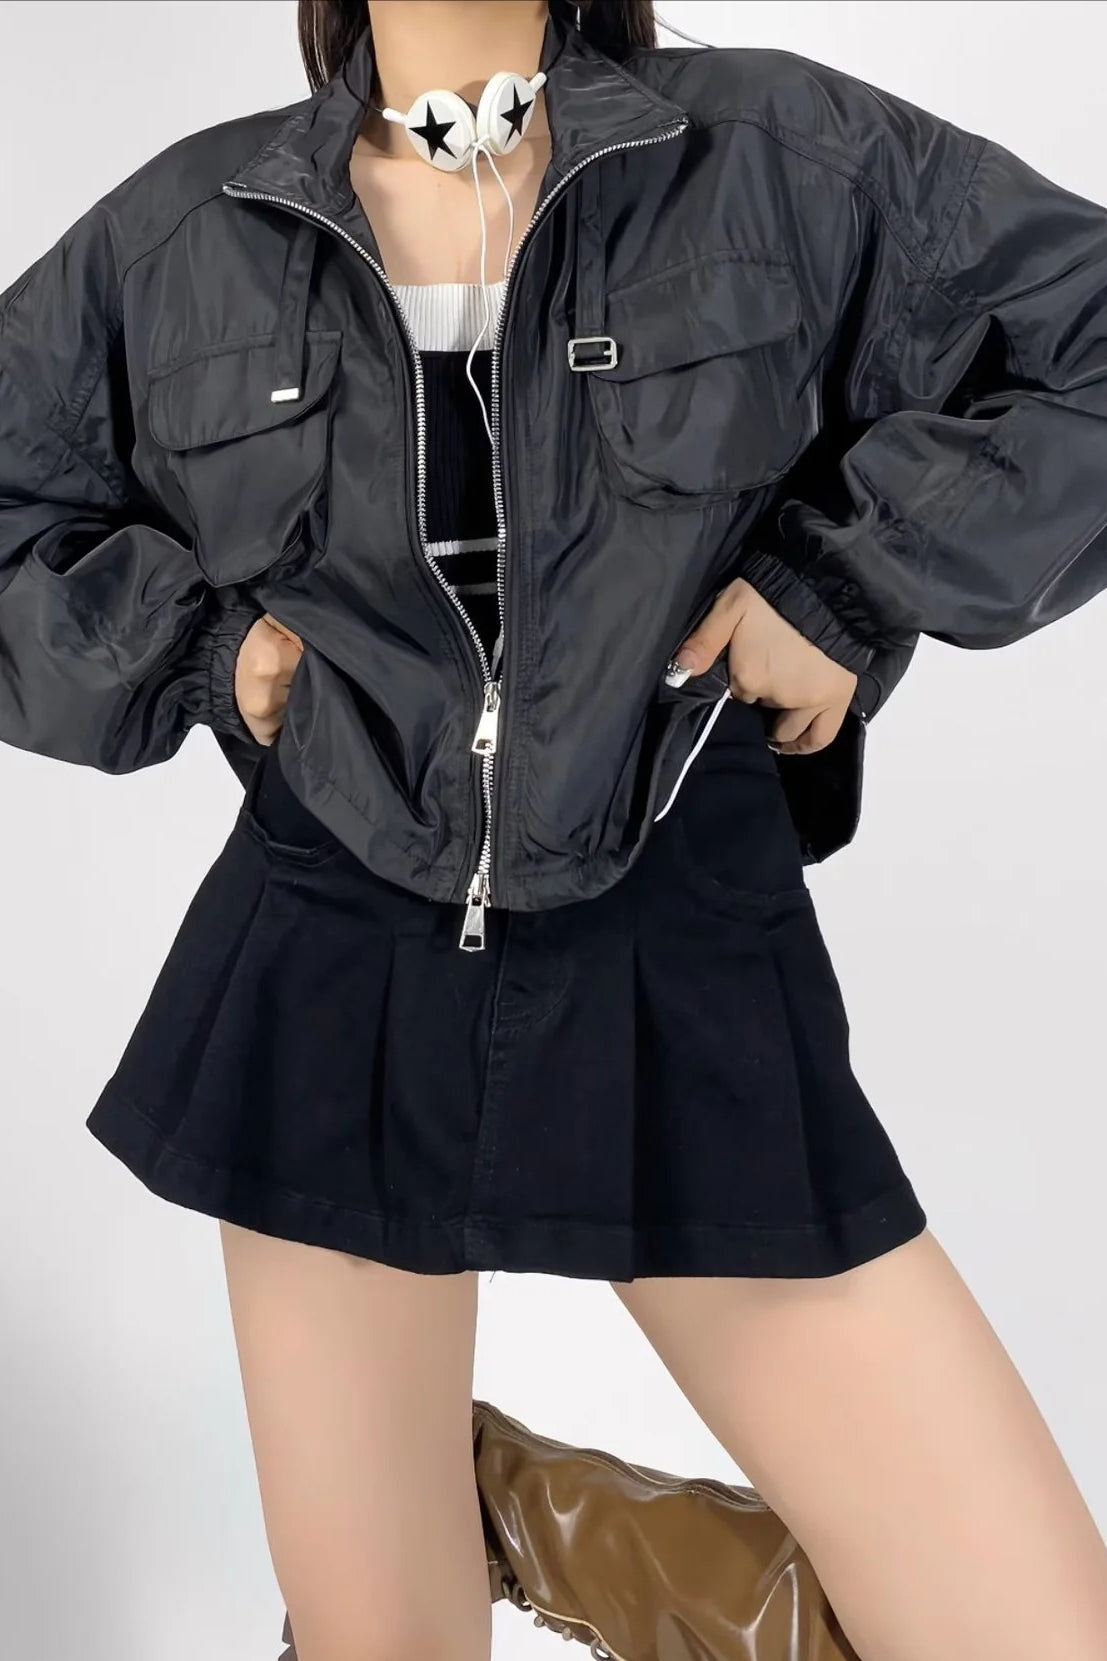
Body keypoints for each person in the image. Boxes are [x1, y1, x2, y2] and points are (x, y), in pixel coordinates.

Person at [2, 1, 1106, 1657]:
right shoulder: (192, 234)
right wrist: (207, 653)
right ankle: (443, 1526)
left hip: (678, 931)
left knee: (1029, 1629)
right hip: (331, 959)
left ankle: (542, 1510)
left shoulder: (771, 159)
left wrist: (846, 586)